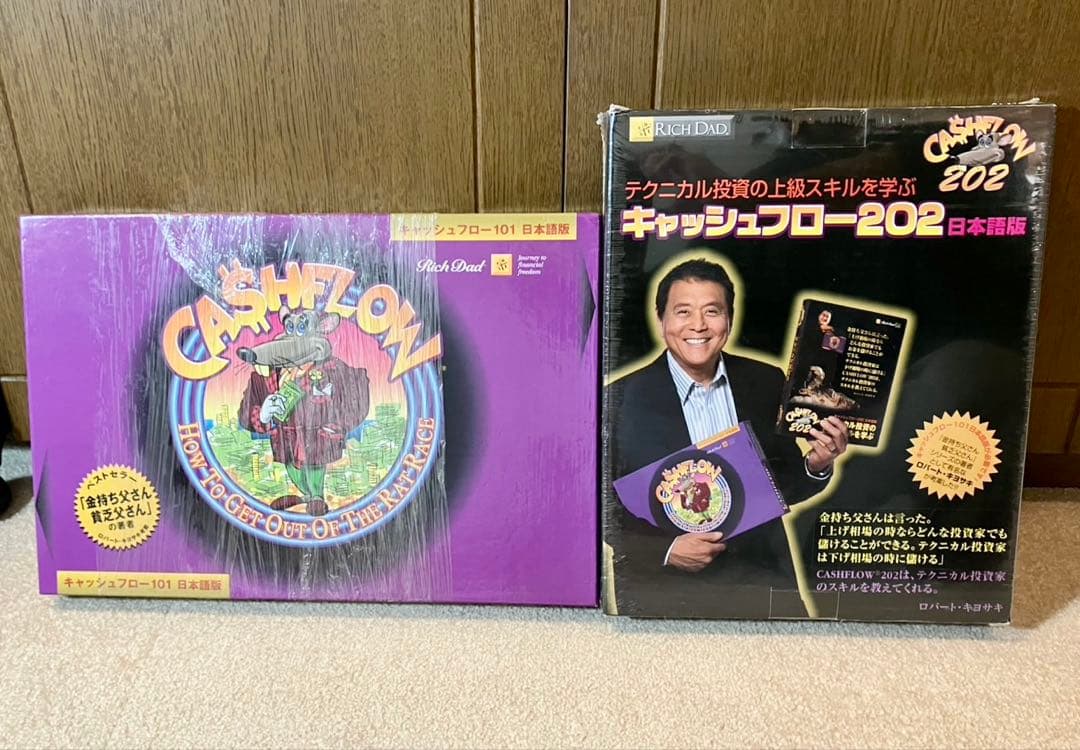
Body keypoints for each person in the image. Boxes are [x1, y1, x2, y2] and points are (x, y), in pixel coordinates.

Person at [606, 259, 849, 617]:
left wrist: (817, 463)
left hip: (760, 576)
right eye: (683, 312)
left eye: (712, 311)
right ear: (661, 320)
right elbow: (595, 503)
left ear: (730, 320)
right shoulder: (618, 398)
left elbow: (781, 487)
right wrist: (665, 549)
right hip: (663, 589)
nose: (698, 325)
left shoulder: (766, 382)